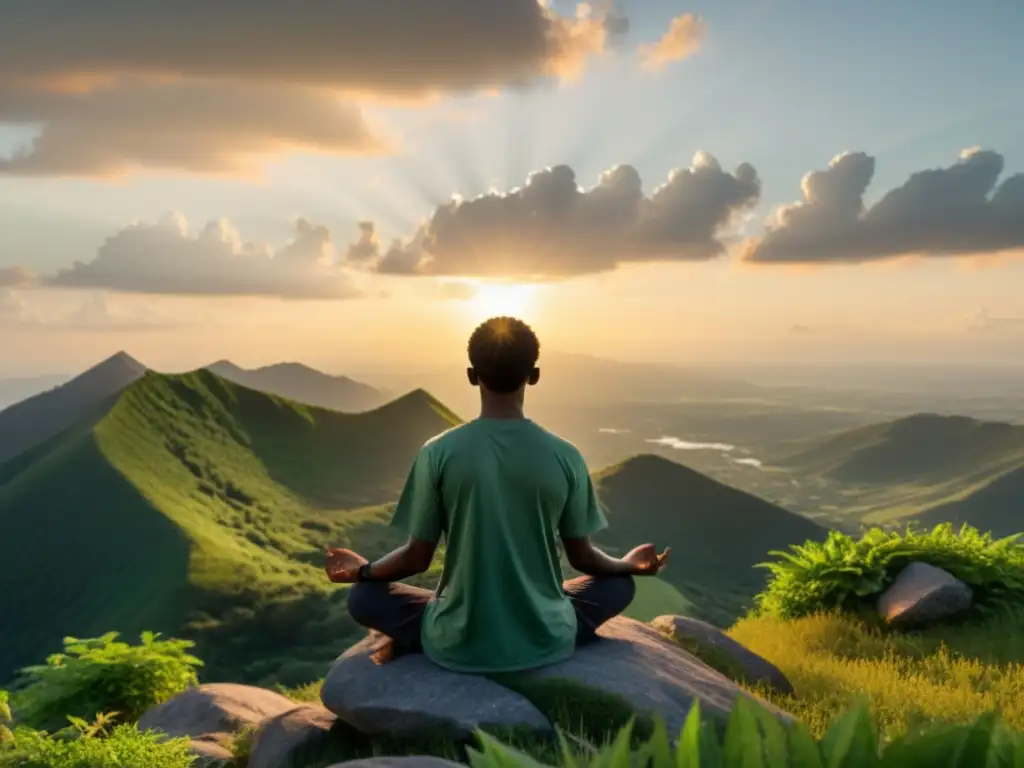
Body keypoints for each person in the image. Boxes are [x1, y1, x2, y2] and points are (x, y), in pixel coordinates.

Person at [324, 316, 669, 673]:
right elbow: (583, 558)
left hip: (455, 640)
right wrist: (629, 565)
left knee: (364, 597)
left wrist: (363, 571)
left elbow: (416, 559)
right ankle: (539, 610)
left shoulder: (437, 452)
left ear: (472, 375)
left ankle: (451, 625)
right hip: (547, 635)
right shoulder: (566, 456)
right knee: (619, 586)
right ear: (533, 375)